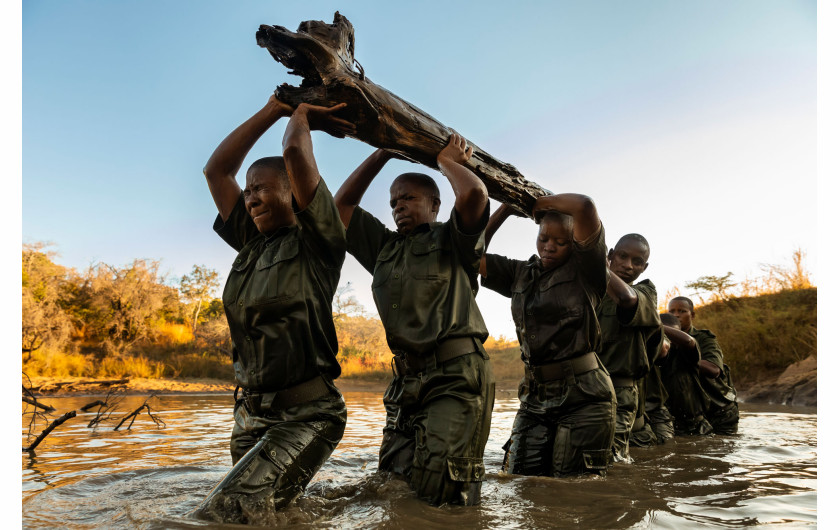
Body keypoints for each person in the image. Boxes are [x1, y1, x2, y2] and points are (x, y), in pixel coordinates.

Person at [194, 93, 355, 523]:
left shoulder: (318, 240)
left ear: (291, 190)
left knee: (226, 513)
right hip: (249, 416)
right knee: (265, 516)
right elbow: (216, 171)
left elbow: (294, 151)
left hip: (309, 413)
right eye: (247, 192)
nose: (250, 198)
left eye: (261, 188)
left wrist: (300, 112)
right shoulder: (250, 244)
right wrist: (272, 109)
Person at [333, 135, 494, 506]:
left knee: (443, 493)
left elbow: (474, 196)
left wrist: (447, 161)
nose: (398, 207)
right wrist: (383, 152)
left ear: (435, 204)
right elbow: (341, 206)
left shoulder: (454, 239)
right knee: (390, 488)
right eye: (393, 202)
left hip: (455, 377)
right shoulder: (383, 248)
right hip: (405, 383)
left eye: (408, 198)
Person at [480, 197, 616, 477]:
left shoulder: (587, 271)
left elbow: (585, 206)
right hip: (534, 397)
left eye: (561, 241)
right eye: (543, 238)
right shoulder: (520, 273)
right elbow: (468, 254)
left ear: (575, 243)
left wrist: (534, 201)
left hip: (585, 397)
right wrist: (506, 208)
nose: (549, 246)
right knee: (521, 484)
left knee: (572, 494)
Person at [595, 234, 663, 461]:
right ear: (611, 255)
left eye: (637, 262)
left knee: (609, 463)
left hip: (619, 393)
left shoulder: (645, 292)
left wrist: (595, 263)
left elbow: (626, 299)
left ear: (645, 267)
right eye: (623, 257)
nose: (628, 265)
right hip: (581, 387)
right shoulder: (587, 291)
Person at [668, 297, 739, 434]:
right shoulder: (662, 342)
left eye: (682, 311)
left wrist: (686, 357)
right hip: (690, 412)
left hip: (720, 409)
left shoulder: (703, 338)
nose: (676, 315)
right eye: (672, 312)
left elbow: (714, 369)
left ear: (692, 315)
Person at [657, 312, 714, 435]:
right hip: (663, 423)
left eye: (672, 335)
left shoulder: (686, 354)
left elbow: (688, 341)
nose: (669, 340)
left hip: (694, 427)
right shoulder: (650, 354)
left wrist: (657, 326)